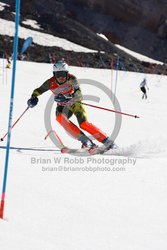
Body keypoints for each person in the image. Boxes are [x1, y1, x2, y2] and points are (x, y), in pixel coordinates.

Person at [27, 59, 116, 149]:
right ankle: (85, 140)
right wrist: (34, 97)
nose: (61, 77)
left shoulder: (72, 79)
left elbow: (79, 94)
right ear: (54, 75)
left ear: (67, 74)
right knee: (60, 118)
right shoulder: (50, 82)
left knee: (84, 124)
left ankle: (108, 142)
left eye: (64, 74)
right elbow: (39, 90)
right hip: (63, 106)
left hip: (75, 104)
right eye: (59, 75)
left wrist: (68, 97)